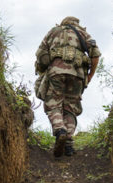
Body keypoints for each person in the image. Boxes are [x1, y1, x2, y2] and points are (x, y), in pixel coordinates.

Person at [35, 16, 101, 157]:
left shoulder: (53, 31)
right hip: (77, 75)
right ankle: (68, 145)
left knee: (53, 104)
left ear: (63, 22)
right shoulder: (83, 33)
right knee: (70, 107)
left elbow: (41, 55)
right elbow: (95, 54)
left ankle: (60, 131)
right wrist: (89, 76)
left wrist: (43, 69)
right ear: (77, 24)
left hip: (56, 73)